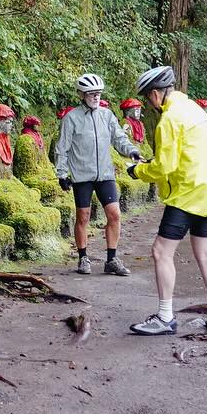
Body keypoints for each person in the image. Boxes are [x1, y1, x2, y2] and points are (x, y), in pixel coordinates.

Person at [124, 66, 207, 335]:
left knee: (161, 252)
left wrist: (138, 170)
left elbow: (164, 167)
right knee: (205, 253)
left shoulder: (170, 119)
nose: (149, 105)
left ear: (156, 93)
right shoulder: (196, 110)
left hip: (186, 195)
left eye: (148, 99)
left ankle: (164, 317)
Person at [53, 72, 143, 276]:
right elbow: (62, 148)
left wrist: (132, 151)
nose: (96, 97)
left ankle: (112, 259)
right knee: (83, 217)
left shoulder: (107, 115)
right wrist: (62, 173)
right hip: (82, 175)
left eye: (98, 94)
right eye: (91, 94)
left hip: (105, 174)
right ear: (82, 95)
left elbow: (119, 138)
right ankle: (83, 257)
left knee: (115, 214)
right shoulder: (71, 118)